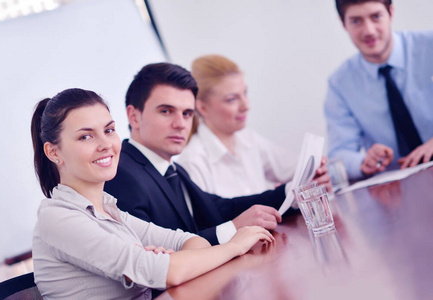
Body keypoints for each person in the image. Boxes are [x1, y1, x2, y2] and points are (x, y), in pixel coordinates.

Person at [30, 88, 275, 299]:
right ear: (53, 153)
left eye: (109, 130)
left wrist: (170, 262)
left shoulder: (109, 210)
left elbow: (189, 241)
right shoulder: (57, 218)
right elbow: (171, 273)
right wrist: (235, 246)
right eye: (86, 136)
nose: (106, 144)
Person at [105, 63, 331, 246]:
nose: (180, 124)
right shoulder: (121, 174)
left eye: (187, 114)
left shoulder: (171, 169)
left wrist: (291, 192)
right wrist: (233, 229)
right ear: (134, 117)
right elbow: (155, 255)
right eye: (166, 111)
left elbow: (221, 209)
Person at [324, 0, 433, 180]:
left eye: (376, 17)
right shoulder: (340, 84)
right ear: (343, 23)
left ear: (391, 13)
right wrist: (362, 161)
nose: (369, 31)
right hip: (400, 189)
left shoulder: (429, 47)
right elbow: (339, 154)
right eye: (356, 21)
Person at [177, 54, 297, 198]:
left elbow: (295, 170)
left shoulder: (249, 139)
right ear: (202, 108)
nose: (246, 106)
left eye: (245, 93)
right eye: (232, 99)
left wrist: (317, 173)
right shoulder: (193, 163)